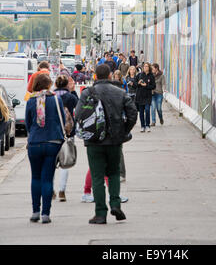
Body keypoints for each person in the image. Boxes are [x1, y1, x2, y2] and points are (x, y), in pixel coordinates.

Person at [75, 64, 137, 224]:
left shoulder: (87, 93)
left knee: (97, 176)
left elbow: (79, 114)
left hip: (94, 141)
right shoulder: (120, 92)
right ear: (110, 76)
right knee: (114, 173)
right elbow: (132, 113)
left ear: (95, 76)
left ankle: (100, 213)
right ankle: (115, 204)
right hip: (115, 140)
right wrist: (124, 130)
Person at [25, 73, 66, 224]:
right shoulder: (56, 99)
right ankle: (45, 214)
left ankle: (35, 211)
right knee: (47, 178)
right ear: (49, 85)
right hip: (53, 142)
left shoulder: (31, 101)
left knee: (35, 177)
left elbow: (28, 124)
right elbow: (62, 117)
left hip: (35, 142)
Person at [54, 74, 78, 202]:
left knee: (51, 163)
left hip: (53, 133)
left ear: (56, 84)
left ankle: (50, 189)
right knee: (65, 162)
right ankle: (62, 191)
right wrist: (73, 91)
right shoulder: (70, 97)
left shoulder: (51, 96)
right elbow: (78, 107)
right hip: (68, 133)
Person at [135, 62, 156, 132]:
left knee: (147, 110)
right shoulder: (140, 75)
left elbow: (153, 86)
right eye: (144, 66)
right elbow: (135, 85)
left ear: (149, 67)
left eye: (146, 66)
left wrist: (146, 85)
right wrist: (138, 83)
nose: (145, 68)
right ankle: (142, 126)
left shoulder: (151, 76)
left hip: (148, 96)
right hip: (140, 96)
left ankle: (147, 125)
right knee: (141, 112)